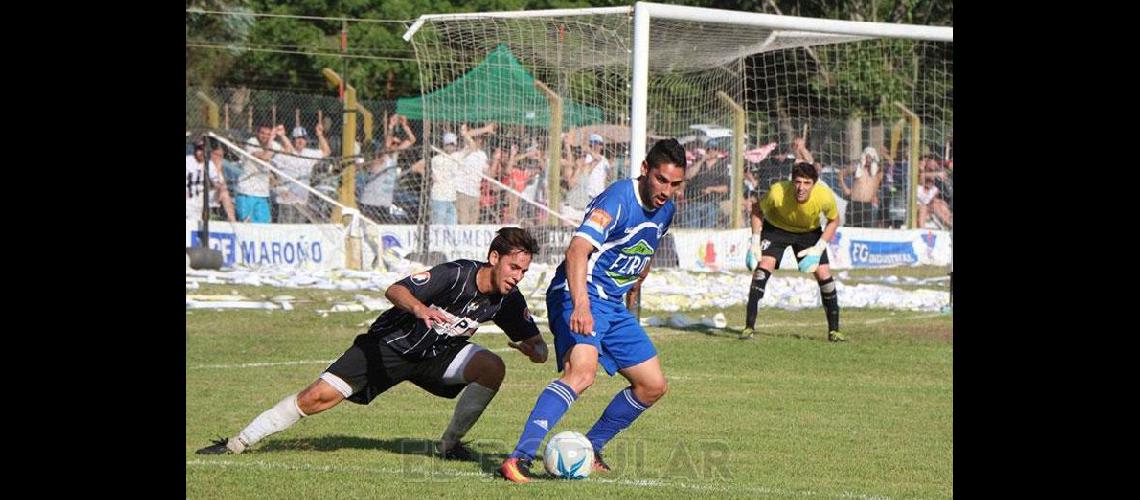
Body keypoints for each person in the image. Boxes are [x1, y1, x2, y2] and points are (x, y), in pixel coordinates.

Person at [196, 227, 549, 459]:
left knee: (492, 367)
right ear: (494, 258)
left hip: (436, 357)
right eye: (514, 268)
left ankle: (449, 446)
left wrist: (533, 351)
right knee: (315, 397)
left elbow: (538, 348)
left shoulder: (508, 299)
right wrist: (420, 308)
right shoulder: (454, 273)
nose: (517, 277)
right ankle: (237, 443)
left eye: (524, 272)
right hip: (388, 348)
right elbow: (394, 289)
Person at [499, 139, 688, 484]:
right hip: (578, 293)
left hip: (612, 303)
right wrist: (581, 306)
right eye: (662, 180)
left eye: (676, 184)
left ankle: (591, 446)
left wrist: (637, 279)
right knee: (582, 372)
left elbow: (645, 247)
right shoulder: (617, 199)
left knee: (652, 385)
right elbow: (577, 251)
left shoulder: (667, 210)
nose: (667, 191)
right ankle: (519, 457)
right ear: (645, 170)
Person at [742, 162, 844, 342]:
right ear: (792, 182)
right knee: (762, 269)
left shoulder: (824, 196)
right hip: (776, 228)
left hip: (809, 232)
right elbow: (757, 209)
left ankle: (834, 331)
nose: (801, 188)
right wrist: (755, 242)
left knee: (824, 274)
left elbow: (834, 220)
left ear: (814, 184)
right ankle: (749, 328)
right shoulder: (777, 192)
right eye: (798, 182)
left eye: (806, 183)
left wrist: (818, 248)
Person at [274, 122, 331, 223]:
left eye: (302, 138)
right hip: (286, 200)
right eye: (297, 138)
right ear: (292, 140)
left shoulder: (309, 153)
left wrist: (320, 135)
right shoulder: (284, 153)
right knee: (286, 228)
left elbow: (326, 152)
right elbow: (272, 171)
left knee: (299, 228)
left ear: (306, 140)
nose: (300, 140)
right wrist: (280, 188)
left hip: (302, 200)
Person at [236, 123, 289, 223]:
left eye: (268, 134)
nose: (265, 136)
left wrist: (283, 136)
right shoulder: (252, 142)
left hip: (262, 194)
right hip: (247, 192)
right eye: (262, 133)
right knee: (247, 225)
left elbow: (289, 151)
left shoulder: (272, 144)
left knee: (264, 227)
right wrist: (272, 138)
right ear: (257, 133)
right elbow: (265, 156)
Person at [186, 138, 236, 223]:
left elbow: (216, 182)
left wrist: (220, 188)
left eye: (204, 149)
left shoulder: (210, 164)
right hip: (189, 198)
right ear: (195, 150)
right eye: (199, 149)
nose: (202, 152)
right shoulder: (188, 161)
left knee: (224, 191)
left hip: (203, 196)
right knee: (194, 221)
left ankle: (233, 222)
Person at [838, 146, 883, 227]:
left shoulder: (877, 173)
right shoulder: (857, 168)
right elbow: (841, 174)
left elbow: (876, 186)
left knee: (866, 232)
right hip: (854, 204)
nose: (869, 160)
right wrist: (845, 189)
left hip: (868, 206)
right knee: (850, 229)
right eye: (867, 157)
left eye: (871, 158)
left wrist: (874, 196)